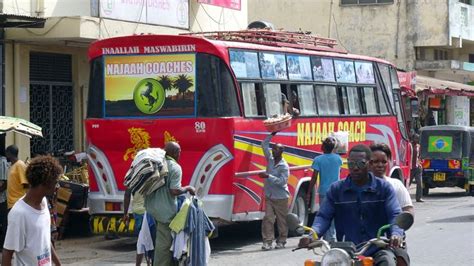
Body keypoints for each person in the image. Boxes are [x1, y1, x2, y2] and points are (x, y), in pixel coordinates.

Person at [299, 144, 405, 266]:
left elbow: (395, 214)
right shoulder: (336, 189)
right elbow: (323, 216)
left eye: (360, 164)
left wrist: (396, 234)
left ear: (369, 164)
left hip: (378, 248)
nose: (355, 168)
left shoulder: (384, 188)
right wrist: (312, 235)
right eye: (351, 164)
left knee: (388, 262)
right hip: (344, 249)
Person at [2, 155, 62, 266]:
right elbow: (7, 253)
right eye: (55, 182)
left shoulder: (44, 202)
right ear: (45, 183)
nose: (57, 186)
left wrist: (58, 263)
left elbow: (45, 239)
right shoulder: (19, 214)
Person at [145, 142, 195, 266]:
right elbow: (174, 190)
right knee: (164, 247)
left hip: (151, 210)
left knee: (155, 242)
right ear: (174, 153)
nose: (180, 154)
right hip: (165, 214)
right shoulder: (174, 167)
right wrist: (188, 188)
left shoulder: (157, 164)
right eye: (179, 152)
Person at [305, 137, 342, 242]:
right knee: (334, 215)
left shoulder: (318, 159)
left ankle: (329, 238)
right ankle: (332, 237)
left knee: (325, 214)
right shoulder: (338, 159)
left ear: (323, 147)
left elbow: (314, 177)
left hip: (324, 192)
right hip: (336, 191)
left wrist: (308, 192)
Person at [258, 132, 290, 250]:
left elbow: (283, 182)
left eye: (276, 149)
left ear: (281, 152)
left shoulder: (284, 166)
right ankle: (267, 241)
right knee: (268, 218)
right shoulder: (270, 159)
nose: (273, 151)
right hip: (269, 195)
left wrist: (268, 177)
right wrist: (272, 133)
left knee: (282, 221)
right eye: (273, 149)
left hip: (281, 197)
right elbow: (264, 144)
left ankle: (281, 240)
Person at [370, 143, 414, 214]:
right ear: (369, 162)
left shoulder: (396, 184)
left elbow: (407, 209)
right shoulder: (361, 186)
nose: (380, 165)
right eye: (376, 161)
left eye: (384, 162)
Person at [123, 188, 154, 265]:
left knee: (143, 239)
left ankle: (144, 263)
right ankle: (148, 262)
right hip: (150, 211)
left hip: (138, 212)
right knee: (147, 239)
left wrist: (125, 213)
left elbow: (127, 194)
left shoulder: (130, 175)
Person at [5, 145, 28, 210]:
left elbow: (26, 184)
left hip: (18, 203)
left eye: (6, 153)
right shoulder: (12, 166)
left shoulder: (20, 165)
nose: (5, 156)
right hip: (11, 203)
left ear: (9, 153)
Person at [411, 134, 424, 202]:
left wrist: (419, 163)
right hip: (410, 168)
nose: (417, 140)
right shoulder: (409, 145)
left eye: (418, 138)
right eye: (416, 138)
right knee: (408, 183)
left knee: (419, 183)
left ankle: (419, 198)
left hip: (417, 168)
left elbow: (419, 156)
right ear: (412, 138)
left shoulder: (418, 146)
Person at [0, 150, 8, 247]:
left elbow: (5, 184)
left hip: (1, 199)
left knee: (3, 223)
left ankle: (4, 246)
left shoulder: (2, 161)